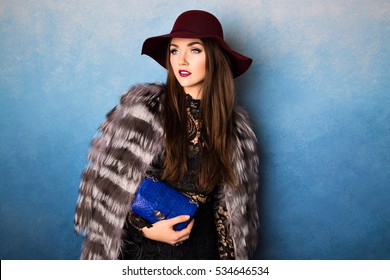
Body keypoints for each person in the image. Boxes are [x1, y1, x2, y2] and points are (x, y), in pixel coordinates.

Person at [74, 10, 259, 260]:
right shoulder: (144, 111)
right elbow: (107, 191)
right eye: (174, 50)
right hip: (145, 254)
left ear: (214, 58)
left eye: (194, 50)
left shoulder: (236, 130)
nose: (181, 60)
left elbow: (229, 216)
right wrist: (147, 229)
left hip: (203, 256)